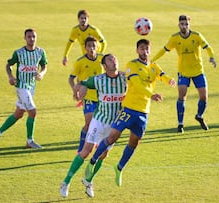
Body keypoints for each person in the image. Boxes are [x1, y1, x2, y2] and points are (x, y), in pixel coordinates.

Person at [84, 39, 176, 187]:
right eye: (141, 49)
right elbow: (138, 85)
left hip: (143, 112)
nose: (144, 51)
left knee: (134, 142)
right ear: (137, 50)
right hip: (128, 109)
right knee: (112, 137)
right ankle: (93, 161)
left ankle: (119, 168)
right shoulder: (131, 65)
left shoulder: (154, 67)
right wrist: (151, 94)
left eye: (147, 49)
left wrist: (169, 80)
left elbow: (162, 75)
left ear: (149, 51)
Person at [60, 54, 126, 198]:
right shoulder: (98, 80)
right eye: (110, 59)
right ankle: (66, 182)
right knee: (86, 151)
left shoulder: (125, 78)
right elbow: (81, 83)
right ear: (104, 65)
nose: (114, 61)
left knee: (103, 155)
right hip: (99, 121)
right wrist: (78, 90)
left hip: (114, 125)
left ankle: (88, 181)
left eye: (115, 58)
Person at [152, 15, 217, 133]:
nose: (184, 26)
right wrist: (152, 60)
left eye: (186, 24)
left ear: (189, 24)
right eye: (182, 24)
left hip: (198, 71)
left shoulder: (196, 36)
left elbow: (208, 48)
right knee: (182, 96)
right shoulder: (174, 38)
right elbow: (164, 50)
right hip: (183, 72)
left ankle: (199, 116)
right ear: (179, 25)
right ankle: (180, 124)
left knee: (204, 97)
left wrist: (211, 57)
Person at [0, 28, 48, 148]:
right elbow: (9, 65)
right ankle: (29, 141)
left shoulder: (40, 52)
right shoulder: (19, 53)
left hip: (31, 86)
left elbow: (44, 66)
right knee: (33, 112)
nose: (32, 39)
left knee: (19, 113)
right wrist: (10, 76)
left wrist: (42, 74)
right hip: (21, 86)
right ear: (25, 38)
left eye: (33, 37)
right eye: (29, 37)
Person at [62, 9, 107, 108]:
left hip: (96, 57)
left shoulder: (93, 30)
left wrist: (100, 54)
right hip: (85, 57)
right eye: (81, 18)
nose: (83, 20)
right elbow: (70, 42)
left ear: (88, 19)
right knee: (81, 77)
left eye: (85, 18)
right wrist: (65, 55)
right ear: (78, 19)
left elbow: (103, 42)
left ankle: (95, 99)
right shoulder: (75, 30)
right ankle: (82, 98)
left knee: (96, 77)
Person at [68, 36, 104, 153]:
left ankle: (97, 144)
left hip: (102, 98)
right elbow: (71, 78)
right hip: (87, 97)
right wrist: (75, 90)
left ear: (97, 47)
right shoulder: (80, 62)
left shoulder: (103, 59)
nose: (92, 49)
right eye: (89, 46)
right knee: (88, 123)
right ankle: (81, 148)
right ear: (85, 47)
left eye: (94, 46)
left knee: (101, 124)